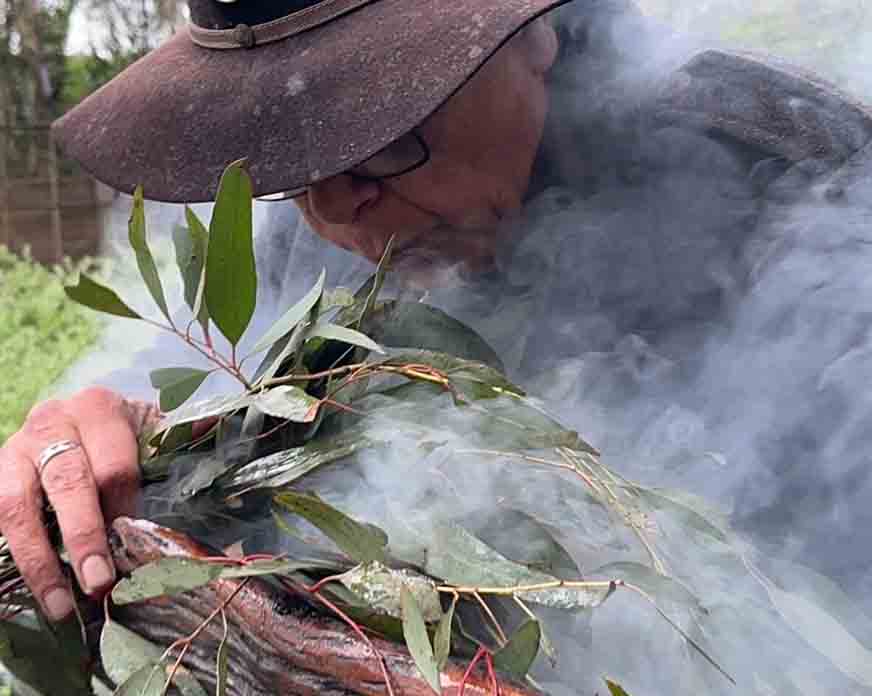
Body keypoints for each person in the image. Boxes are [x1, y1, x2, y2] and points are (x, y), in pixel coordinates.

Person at [2, 0, 871, 639]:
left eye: (384, 131)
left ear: (536, 35)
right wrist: (135, 447)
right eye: (293, 160)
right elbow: (199, 389)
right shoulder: (311, 229)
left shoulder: (795, 195)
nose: (334, 210)